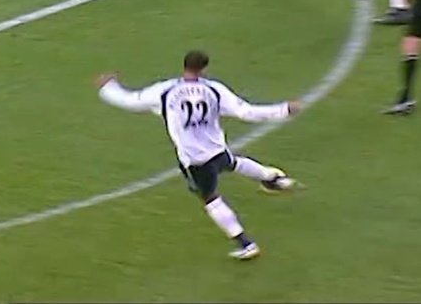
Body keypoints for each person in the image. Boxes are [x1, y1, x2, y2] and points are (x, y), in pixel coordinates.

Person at [96, 50, 303, 260]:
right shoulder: (214, 89)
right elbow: (246, 112)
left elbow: (130, 101)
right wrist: (284, 110)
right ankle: (273, 179)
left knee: (210, 199)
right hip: (216, 148)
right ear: (204, 69)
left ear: (184, 65)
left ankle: (246, 244)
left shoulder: (165, 91)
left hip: (194, 159)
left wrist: (108, 87)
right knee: (232, 163)